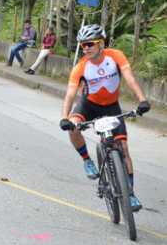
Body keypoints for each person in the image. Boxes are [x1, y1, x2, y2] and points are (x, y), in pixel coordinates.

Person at [59, 24, 151, 211]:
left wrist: (142, 100)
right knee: (73, 126)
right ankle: (86, 160)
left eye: (90, 44)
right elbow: (70, 94)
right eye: (83, 45)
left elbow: (130, 79)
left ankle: (130, 193)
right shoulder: (80, 67)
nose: (86, 48)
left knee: (123, 148)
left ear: (101, 43)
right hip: (88, 105)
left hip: (111, 106)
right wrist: (64, 118)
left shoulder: (115, 56)